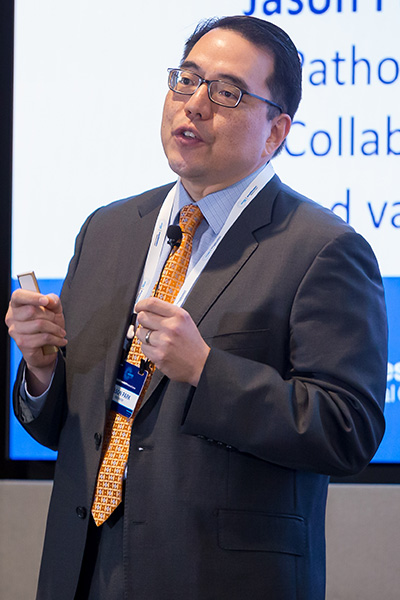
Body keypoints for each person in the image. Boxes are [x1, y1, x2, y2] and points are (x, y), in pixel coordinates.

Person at [5, 15, 387, 600]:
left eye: (227, 92)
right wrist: (40, 369)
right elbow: (68, 428)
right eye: (186, 81)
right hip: (82, 569)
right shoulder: (107, 230)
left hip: (219, 578)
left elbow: (347, 431)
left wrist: (208, 372)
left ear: (276, 132)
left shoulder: (323, 249)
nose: (195, 104)